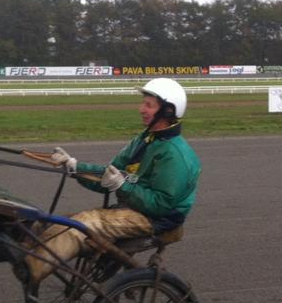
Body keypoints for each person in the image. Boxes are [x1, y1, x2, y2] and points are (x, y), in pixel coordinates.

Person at [26, 78, 201, 283]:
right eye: (143, 103)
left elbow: (161, 205)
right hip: (134, 208)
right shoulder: (145, 139)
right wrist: (74, 166)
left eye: (148, 105)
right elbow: (110, 172)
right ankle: (27, 248)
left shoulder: (174, 154)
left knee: (82, 225)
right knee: (58, 222)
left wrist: (122, 186)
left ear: (168, 112)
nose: (141, 109)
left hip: (157, 219)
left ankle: (30, 269)